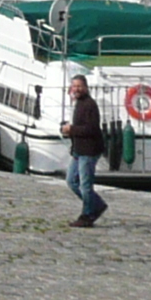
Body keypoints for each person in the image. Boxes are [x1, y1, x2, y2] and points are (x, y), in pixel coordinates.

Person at [62, 75, 109, 225]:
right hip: (78, 150)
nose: (76, 89)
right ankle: (97, 205)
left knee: (85, 185)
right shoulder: (78, 104)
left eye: (79, 86)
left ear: (86, 88)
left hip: (89, 151)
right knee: (71, 181)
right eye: (74, 86)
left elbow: (92, 129)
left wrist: (72, 129)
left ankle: (87, 215)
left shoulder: (90, 105)